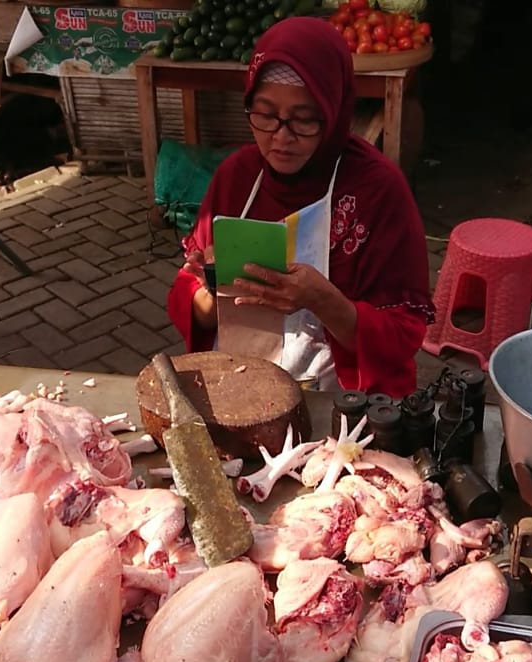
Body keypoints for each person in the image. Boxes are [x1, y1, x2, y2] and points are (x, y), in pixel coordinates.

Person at [166, 17, 434, 397]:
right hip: (244, 392)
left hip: (344, 406)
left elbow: (404, 331)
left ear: (335, 111)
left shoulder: (377, 190)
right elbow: (187, 296)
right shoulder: (237, 177)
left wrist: (324, 301)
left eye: (305, 120)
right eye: (265, 114)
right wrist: (212, 294)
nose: (281, 138)